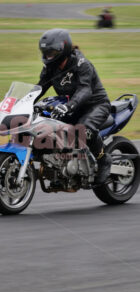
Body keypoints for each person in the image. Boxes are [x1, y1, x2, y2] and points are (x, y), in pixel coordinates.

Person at [35, 28, 112, 185]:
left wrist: (69, 106)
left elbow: (85, 89)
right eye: (45, 52)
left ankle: (103, 160)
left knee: (85, 130)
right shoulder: (50, 68)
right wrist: (22, 101)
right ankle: (60, 167)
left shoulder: (81, 64)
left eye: (52, 52)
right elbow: (40, 87)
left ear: (64, 49)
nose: (48, 56)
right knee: (48, 125)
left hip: (96, 105)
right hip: (72, 106)